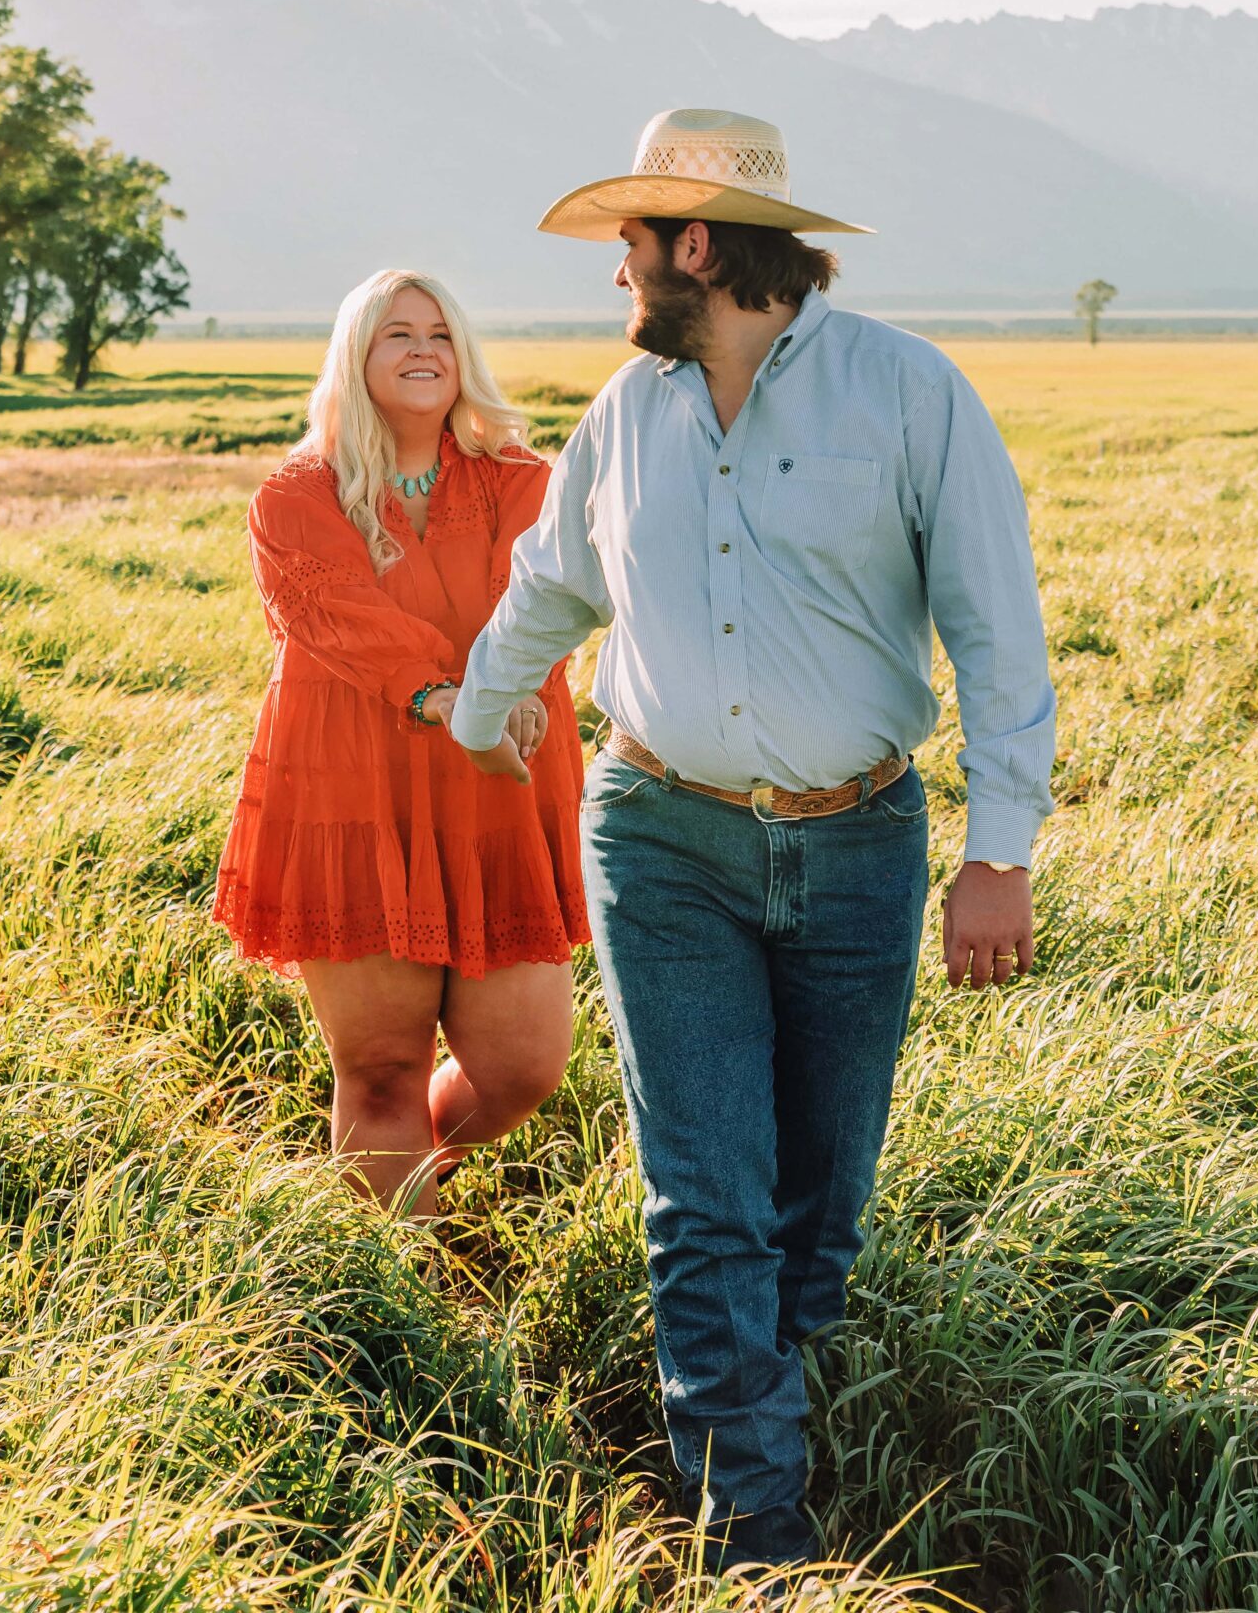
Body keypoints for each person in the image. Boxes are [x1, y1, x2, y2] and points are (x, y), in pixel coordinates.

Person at [449, 109, 1056, 1573]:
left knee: (816, 1203)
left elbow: (995, 621)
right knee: (706, 1199)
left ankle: (768, 1397)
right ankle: (758, 1538)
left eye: (629, 247)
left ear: (698, 246)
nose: (617, 279)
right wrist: (477, 712)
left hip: (858, 849)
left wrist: (1000, 850)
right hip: (660, 838)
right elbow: (550, 584)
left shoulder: (906, 394)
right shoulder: (623, 414)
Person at [212, 270, 588, 1212]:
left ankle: (412, 1154)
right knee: (379, 1071)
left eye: (439, 334)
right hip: (354, 794)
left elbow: (534, 609)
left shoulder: (523, 481)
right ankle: (401, 1312)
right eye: (395, 334)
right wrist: (461, 702)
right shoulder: (296, 496)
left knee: (521, 1070)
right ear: (355, 356)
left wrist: (502, 700)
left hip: (498, 792)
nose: (423, 349)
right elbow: (345, 627)